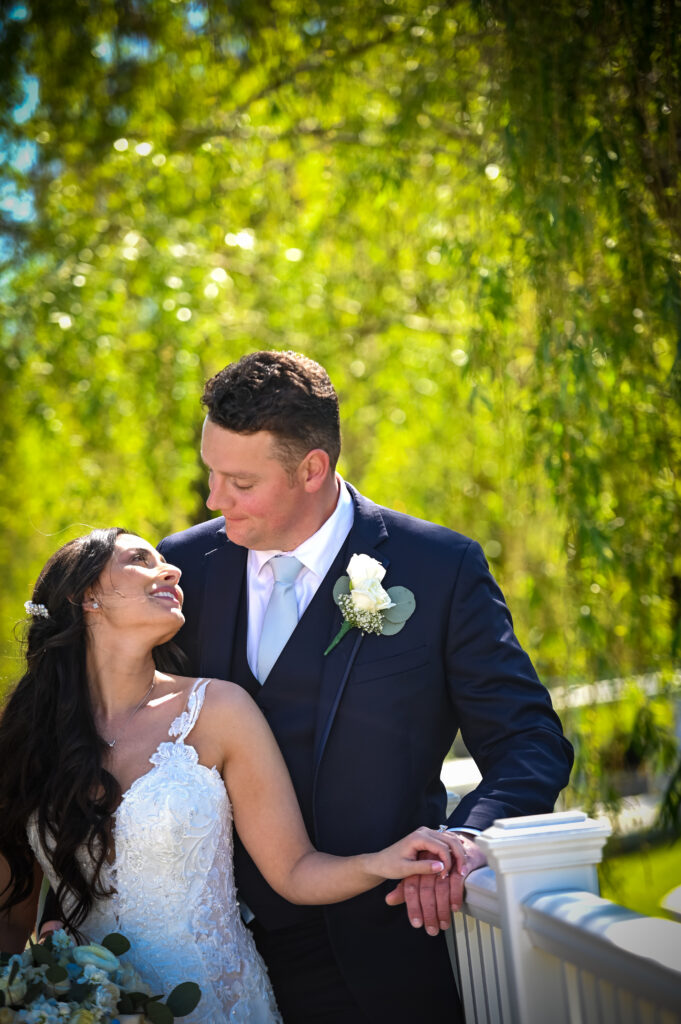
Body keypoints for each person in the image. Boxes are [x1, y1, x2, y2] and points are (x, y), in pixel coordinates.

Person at [157, 350, 574, 1023]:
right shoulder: (181, 569)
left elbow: (529, 741)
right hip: (205, 962)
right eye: (211, 472)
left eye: (240, 481)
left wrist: (465, 841)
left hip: (381, 954)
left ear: (311, 469)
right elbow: (116, 732)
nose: (214, 499)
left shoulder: (437, 568)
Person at [0, 528, 462, 1024]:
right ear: (86, 596)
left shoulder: (219, 710)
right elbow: (10, 922)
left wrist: (384, 861)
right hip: (85, 1010)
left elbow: (294, 870)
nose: (172, 570)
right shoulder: (27, 739)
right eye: (140, 560)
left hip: (221, 1006)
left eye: (163, 561)